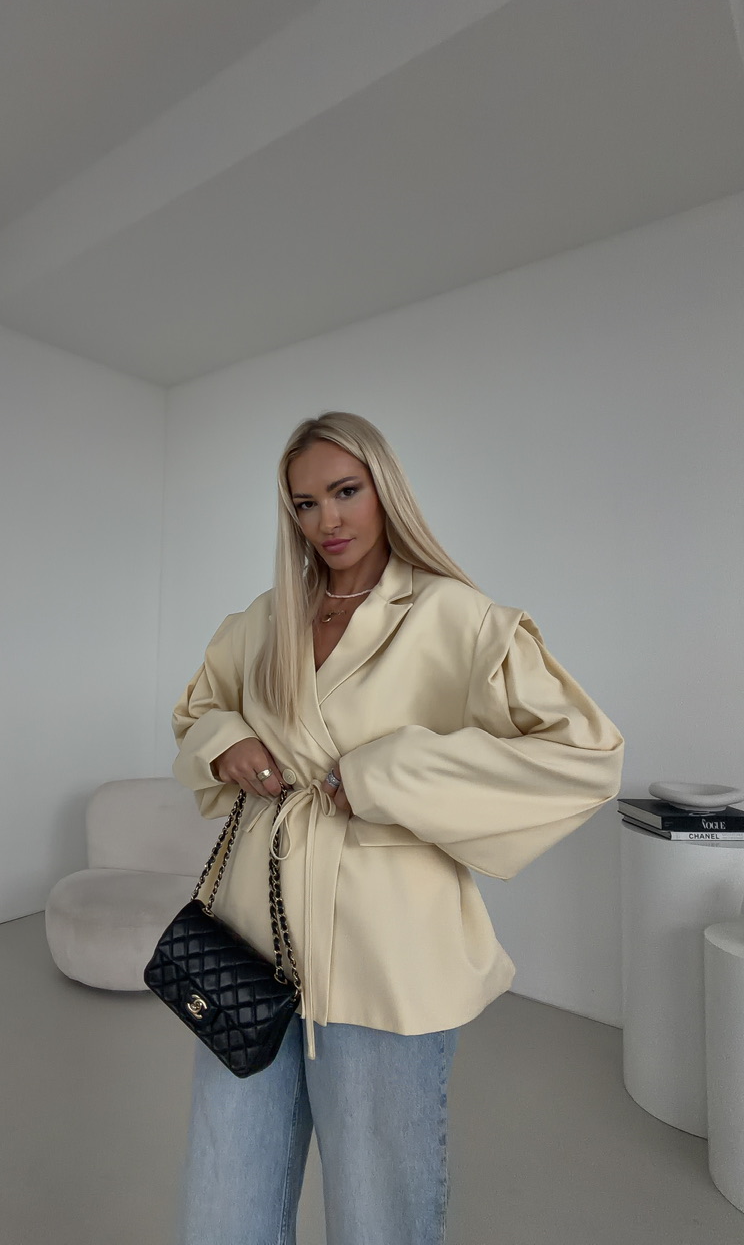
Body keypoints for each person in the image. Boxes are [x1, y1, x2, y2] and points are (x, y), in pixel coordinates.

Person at [171, 411, 624, 1245]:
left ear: (386, 490)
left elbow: (585, 756)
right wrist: (224, 740)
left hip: (387, 957)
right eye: (305, 503)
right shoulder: (265, 619)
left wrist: (387, 775)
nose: (328, 520)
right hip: (250, 943)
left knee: (379, 1214)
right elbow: (198, 709)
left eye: (346, 491)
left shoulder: (457, 618)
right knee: (224, 1200)